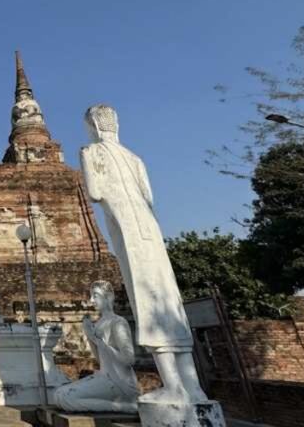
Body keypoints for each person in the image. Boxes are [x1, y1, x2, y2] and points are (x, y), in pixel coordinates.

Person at [80, 104, 207, 403]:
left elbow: (96, 193)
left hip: (126, 226)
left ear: (94, 128)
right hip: (149, 226)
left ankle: (173, 387)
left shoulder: (91, 152)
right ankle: (195, 389)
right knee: (168, 298)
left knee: (147, 300)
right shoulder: (135, 158)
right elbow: (148, 197)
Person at [53, 281, 139, 412]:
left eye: (96, 295)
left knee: (67, 399)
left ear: (108, 297)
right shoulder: (99, 323)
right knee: (58, 395)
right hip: (104, 376)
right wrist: (89, 336)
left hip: (119, 382)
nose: (91, 300)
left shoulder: (118, 322)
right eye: (91, 296)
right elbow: (100, 360)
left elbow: (129, 359)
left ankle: (125, 407)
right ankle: (121, 406)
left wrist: (99, 342)